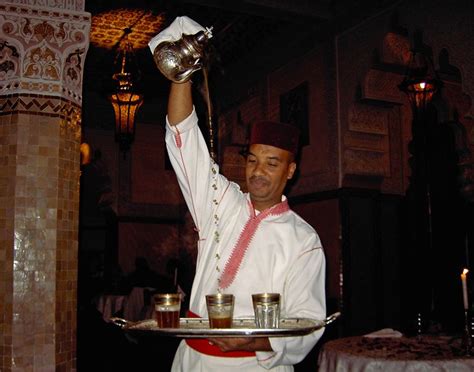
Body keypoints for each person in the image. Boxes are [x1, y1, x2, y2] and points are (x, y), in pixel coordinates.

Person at [150, 16, 326, 372]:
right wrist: (182, 74)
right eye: (253, 159)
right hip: (192, 361)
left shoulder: (304, 240)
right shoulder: (221, 201)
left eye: (272, 163)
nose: (258, 171)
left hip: (255, 366)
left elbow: (307, 323)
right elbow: (184, 137)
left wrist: (253, 339)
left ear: (290, 171)